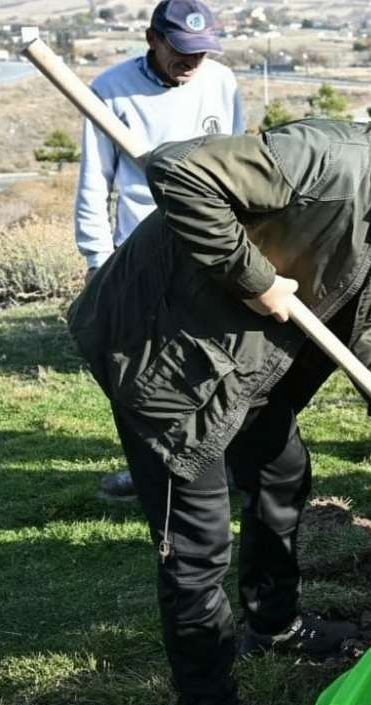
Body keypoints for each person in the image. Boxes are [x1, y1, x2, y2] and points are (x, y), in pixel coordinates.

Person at [66, 106, 371, 705]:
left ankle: (272, 625)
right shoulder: (327, 162)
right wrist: (256, 278)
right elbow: (175, 170)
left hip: (237, 356)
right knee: (196, 549)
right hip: (161, 352)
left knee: (281, 472)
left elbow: (355, 314)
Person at [74, 0, 245, 499]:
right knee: (141, 369)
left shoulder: (222, 82)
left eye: (202, 52)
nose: (192, 63)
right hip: (139, 253)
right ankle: (151, 469)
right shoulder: (110, 90)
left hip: (210, 248)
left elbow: (239, 166)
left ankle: (219, 462)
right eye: (181, 51)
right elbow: (93, 183)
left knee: (215, 361)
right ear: (153, 39)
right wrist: (95, 259)